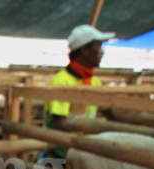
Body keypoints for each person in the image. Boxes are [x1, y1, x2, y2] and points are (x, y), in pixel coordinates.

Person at [43, 24, 117, 158]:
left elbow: (110, 112)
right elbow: (59, 122)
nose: (102, 52)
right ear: (84, 50)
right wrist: (87, 141)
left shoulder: (94, 82)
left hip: (86, 150)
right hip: (63, 152)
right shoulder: (61, 82)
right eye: (98, 47)